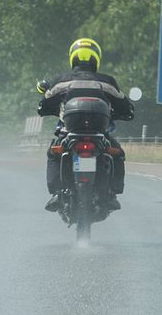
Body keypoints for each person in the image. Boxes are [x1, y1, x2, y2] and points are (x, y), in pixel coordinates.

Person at [36, 38, 134, 213]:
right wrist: (126, 113)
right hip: (100, 132)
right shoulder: (107, 81)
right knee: (118, 154)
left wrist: (47, 108)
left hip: (69, 131)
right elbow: (125, 106)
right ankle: (113, 194)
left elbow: (43, 105)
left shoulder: (61, 80)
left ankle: (56, 194)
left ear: (73, 57)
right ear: (96, 58)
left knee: (53, 153)